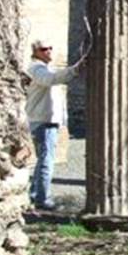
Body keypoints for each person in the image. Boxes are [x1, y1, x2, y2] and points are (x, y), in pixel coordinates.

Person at [25, 38, 82, 211]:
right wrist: (75, 69)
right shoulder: (36, 69)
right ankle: (42, 199)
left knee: (44, 159)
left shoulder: (46, 68)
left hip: (48, 120)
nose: (48, 51)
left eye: (50, 48)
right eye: (44, 49)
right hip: (43, 121)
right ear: (35, 52)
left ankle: (35, 194)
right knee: (46, 160)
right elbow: (51, 79)